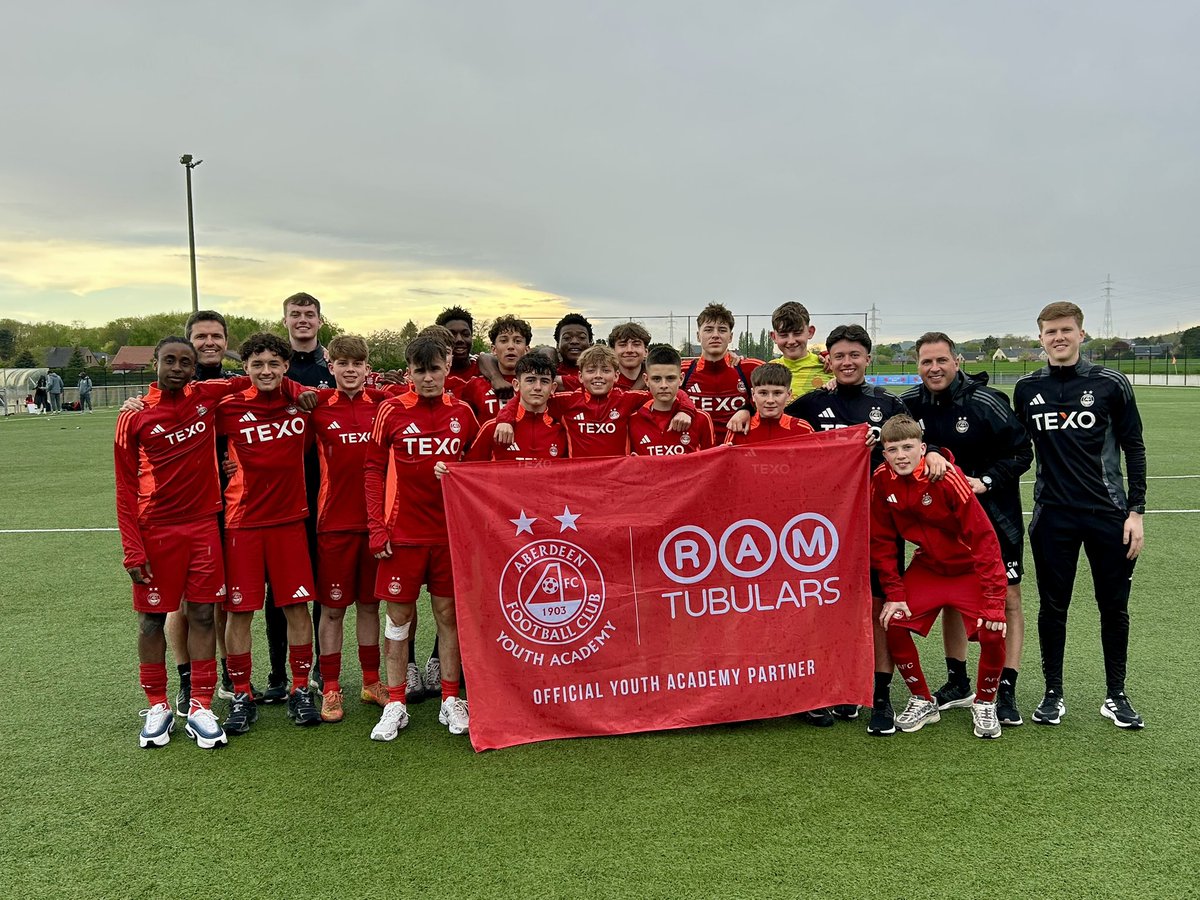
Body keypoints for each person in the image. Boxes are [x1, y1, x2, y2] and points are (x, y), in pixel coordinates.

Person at [739, 323, 948, 735]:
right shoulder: (811, 404)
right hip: (820, 528)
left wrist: (937, 452)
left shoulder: (888, 404)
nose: (847, 362)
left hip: (877, 523)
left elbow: (914, 441)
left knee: (879, 608)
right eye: (839, 356)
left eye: (854, 355)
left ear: (867, 358)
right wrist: (745, 410)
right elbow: (771, 411)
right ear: (828, 360)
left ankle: (880, 696)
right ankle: (829, 686)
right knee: (821, 606)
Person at [113, 337, 313, 748]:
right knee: (154, 619)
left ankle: (205, 704)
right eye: (169, 360)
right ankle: (161, 705)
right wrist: (132, 548)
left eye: (185, 362)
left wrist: (297, 389)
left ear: (195, 369)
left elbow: (272, 377)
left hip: (210, 525)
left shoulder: (208, 396)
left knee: (207, 615)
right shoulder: (137, 415)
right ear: (155, 363)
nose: (177, 368)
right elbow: (123, 487)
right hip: (166, 529)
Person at [1013, 301, 1147, 729]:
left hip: (1109, 515)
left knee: (1114, 607)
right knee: (1053, 607)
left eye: (1066, 330)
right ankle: (1053, 693)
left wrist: (1136, 511)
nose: (1059, 338)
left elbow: (1134, 446)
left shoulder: (1110, 383)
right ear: (1040, 338)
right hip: (1053, 516)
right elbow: (1013, 447)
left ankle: (1116, 695)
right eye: (1050, 332)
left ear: (1081, 334)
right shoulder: (1027, 388)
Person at [901, 332, 1033, 726]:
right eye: (926, 362)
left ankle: (1005, 688)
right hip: (942, 525)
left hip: (995, 517)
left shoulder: (985, 402)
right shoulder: (909, 404)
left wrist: (985, 481)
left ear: (956, 361)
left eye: (941, 360)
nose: (934, 368)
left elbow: (1022, 451)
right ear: (917, 366)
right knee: (950, 597)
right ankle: (958, 682)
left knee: (1008, 597)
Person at [364, 335, 479, 740]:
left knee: (449, 616)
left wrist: (457, 471)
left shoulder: (463, 412)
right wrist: (377, 527)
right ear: (409, 372)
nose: (428, 378)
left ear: (446, 368)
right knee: (399, 619)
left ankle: (450, 699)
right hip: (403, 535)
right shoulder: (391, 410)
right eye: (420, 371)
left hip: (448, 535)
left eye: (434, 370)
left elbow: (477, 466)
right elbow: (372, 470)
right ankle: (395, 703)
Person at [871, 415, 1009, 739]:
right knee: (893, 620)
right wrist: (894, 593)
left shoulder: (946, 477)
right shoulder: (881, 479)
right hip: (929, 567)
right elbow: (881, 541)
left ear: (922, 448)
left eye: (908, 447)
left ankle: (985, 702)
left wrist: (994, 601)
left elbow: (984, 539)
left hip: (968, 569)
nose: (901, 456)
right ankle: (922, 700)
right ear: (884, 453)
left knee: (992, 631)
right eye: (893, 450)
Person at [217, 332, 322, 734]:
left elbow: (353, 396)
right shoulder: (228, 406)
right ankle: (242, 694)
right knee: (240, 611)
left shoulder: (303, 403)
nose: (265, 371)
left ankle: (300, 688)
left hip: (290, 522)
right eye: (257, 364)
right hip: (243, 523)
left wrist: (295, 390)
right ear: (245, 368)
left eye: (274, 364)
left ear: (285, 367)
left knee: (296, 608)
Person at [309, 335, 395, 721]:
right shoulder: (316, 406)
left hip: (376, 524)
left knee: (370, 606)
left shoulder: (383, 404)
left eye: (356, 363)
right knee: (332, 609)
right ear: (331, 367)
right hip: (334, 524)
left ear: (366, 368)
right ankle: (330, 687)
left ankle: (371, 681)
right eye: (342, 363)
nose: (349, 369)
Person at [493, 344, 695, 458]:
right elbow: (526, 398)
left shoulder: (628, 399)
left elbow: (668, 392)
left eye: (605, 370)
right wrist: (505, 420)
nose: (598, 376)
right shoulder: (566, 402)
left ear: (616, 376)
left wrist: (686, 410)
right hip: (580, 484)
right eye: (591, 371)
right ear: (580, 377)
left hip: (618, 482)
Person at [463, 353, 568, 461]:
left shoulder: (562, 431)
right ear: (516, 385)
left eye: (544, 381)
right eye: (530, 380)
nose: (537, 387)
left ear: (553, 388)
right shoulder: (493, 428)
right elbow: (469, 468)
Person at [681, 302, 761, 442]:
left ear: (730, 337)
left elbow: (776, 399)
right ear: (698, 336)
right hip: (696, 451)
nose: (715, 335)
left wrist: (748, 409)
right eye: (708, 330)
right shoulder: (682, 371)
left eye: (722, 330)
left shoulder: (751, 368)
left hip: (738, 450)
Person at [629, 345, 714, 456]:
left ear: (681, 379)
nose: (663, 385)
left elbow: (712, 461)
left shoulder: (702, 419)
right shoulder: (633, 421)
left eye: (670, 378)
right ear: (646, 380)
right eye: (656, 379)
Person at [459, 316, 532, 421]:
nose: (511, 346)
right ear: (493, 349)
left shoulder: (536, 385)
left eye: (517, 341)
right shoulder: (475, 385)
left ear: (527, 350)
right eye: (504, 341)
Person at [723, 363, 815, 446]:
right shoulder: (738, 428)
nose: (770, 400)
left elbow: (817, 457)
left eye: (777, 393)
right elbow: (725, 458)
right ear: (753, 394)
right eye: (763, 393)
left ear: (788, 395)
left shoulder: (803, 429)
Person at [769, 301, 830, 396]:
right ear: (774, 337)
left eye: (797, 333)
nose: (791, 341)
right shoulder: (768, 371)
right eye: (783, 335)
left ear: (810, 332)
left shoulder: (829, 367)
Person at [553, 314, 594, 391]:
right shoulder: (550, 372)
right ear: (557, 345)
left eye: (582, 337)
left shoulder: (602, 372)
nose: (574, 341)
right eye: (567, 338)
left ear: (590, 344)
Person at [609, 322, 652, 390]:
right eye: (623, 345)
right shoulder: (605, 383)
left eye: (636, 344)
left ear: (646, 352)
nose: (629, 350)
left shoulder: (658, 383)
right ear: (612, 351)